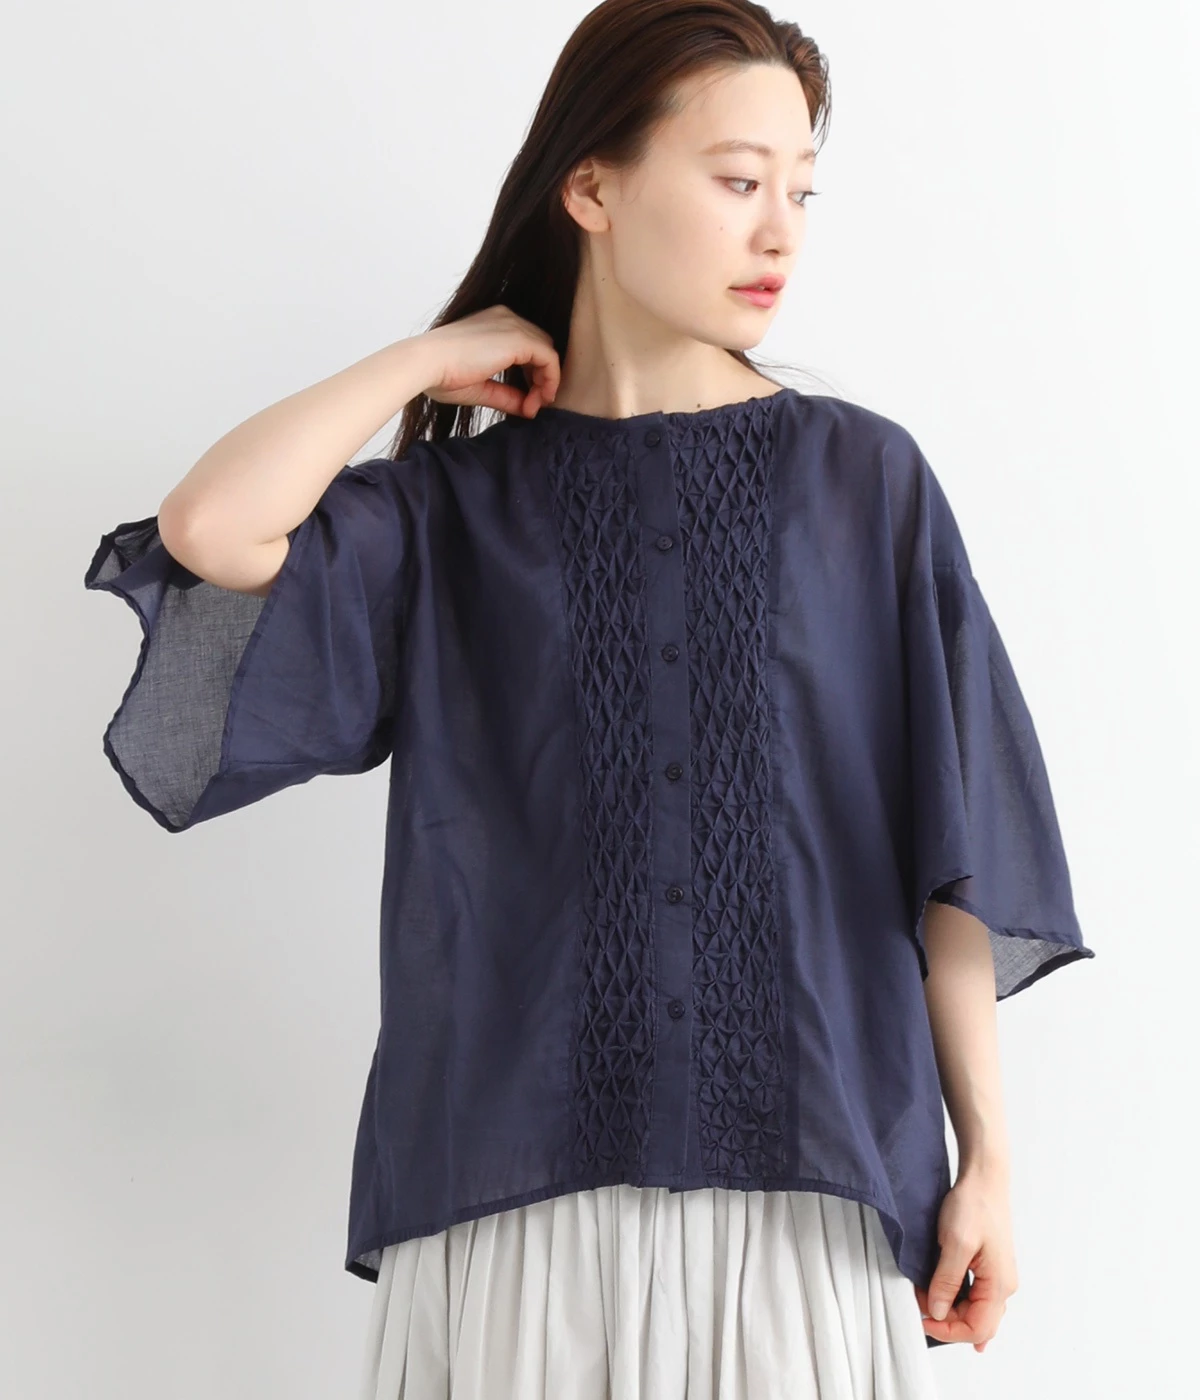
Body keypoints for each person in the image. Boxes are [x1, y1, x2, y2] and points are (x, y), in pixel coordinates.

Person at [84, 2, 1094, 1397]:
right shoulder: (449, 513)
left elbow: (955, 849)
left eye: (801, 192)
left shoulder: (864, 485)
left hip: (806, 1197)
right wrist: (425, 361)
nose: (781, 233)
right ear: (593, 188)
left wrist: (987, 1162)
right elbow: (210, 529)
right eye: (738, 181)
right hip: (515, 1202)